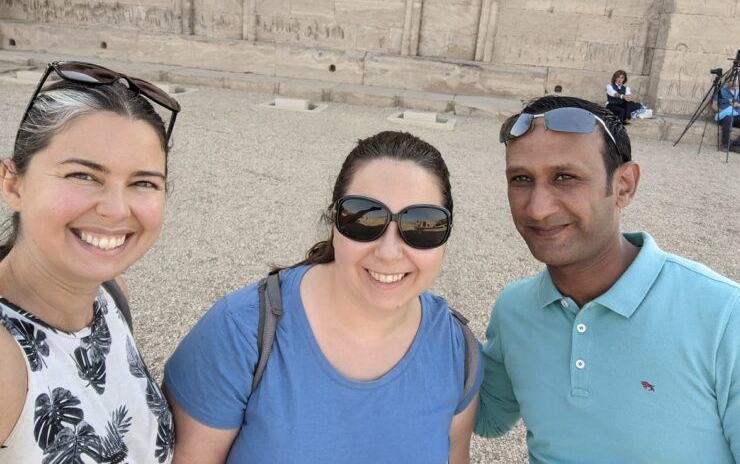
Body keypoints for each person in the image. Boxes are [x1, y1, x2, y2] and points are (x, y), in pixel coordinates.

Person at [164, 131, 482, 464]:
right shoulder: (238, 335)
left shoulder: (457, 352)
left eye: (422, 225)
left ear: (446, 235)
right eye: (364, 218)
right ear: (334, 222)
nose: (389, 252)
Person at [475, 96, 740, 462]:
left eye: (565, 177)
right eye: (521, 179)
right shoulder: (515, 310)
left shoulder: (728, 318)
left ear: (624, 186)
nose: (538, 209)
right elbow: (488, 418)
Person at [0, 61, 180, 463]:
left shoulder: (111, 296)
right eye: (83, 175)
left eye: (143, 183)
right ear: (14, 185)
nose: (116, 209)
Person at [711, 76, 740, 152]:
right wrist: (722, 111)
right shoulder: (721, 91)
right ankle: (725, 145)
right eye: (732, 80)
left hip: (737, 116)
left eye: (736, 81)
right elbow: (713, 105)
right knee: (729, 119)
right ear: (728, 82)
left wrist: (739, 105)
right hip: (724, 115)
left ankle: (735, 145)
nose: (734, 82)